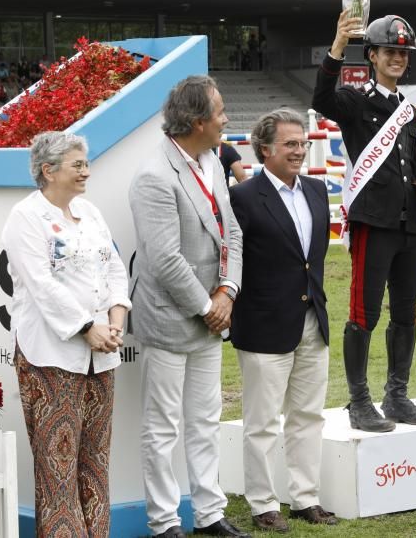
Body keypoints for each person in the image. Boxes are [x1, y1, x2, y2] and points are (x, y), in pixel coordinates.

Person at [129, 75, 248, 538]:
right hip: (171, 320)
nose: (225, 120)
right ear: (198, 121)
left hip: (211, 315)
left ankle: (210, 515)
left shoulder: (212, 160)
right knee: (162, 429)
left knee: (204, 421)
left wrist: (228, 292)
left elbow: (232, 231)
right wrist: (208, 305)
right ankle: (163, 524)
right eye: (219, 113)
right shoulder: (153, 176)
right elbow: (163, 260)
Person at [313, 12, 416, 432]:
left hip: (410, 224)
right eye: (390, 51)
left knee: (406, 312)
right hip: (374, 221)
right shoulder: (355, 100)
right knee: (364, 312)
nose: (398, 59)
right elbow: (321, 99)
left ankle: (397, 396)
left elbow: (411, 165)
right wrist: (335, 47)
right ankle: (359, 401)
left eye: (403, 53)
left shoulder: (411, 112)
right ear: (371, 56)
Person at [1, 131, 126, 537]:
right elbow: (41, 285)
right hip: (50, 356)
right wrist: (88, 327)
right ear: (48, 170)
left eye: (86, 164)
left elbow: (113, 269)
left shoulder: (90, 213)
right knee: (57, 466)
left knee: (95, 461)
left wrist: (116, 319)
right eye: (78, 165)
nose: (86, 172)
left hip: (102, 353)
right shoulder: (25, 217)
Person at [229, 109, 337, 531]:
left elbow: (314, 257)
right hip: (263, 324)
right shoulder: (242, 197)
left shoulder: (315, 190)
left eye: (302, 143)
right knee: (262, 423)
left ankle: (305, 498)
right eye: (290, 144)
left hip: (312, 317)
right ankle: (262, 505)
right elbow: (233, 261)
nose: (299, 150)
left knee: (308, 415)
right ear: (264, 149)